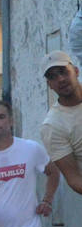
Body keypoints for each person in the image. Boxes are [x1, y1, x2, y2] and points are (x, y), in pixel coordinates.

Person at [40, 51, 82, 196]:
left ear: (76, 71)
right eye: (53, 77)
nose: (60, 79)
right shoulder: (52, 126)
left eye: (63, 72)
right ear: (49, 85)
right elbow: (74, 179)